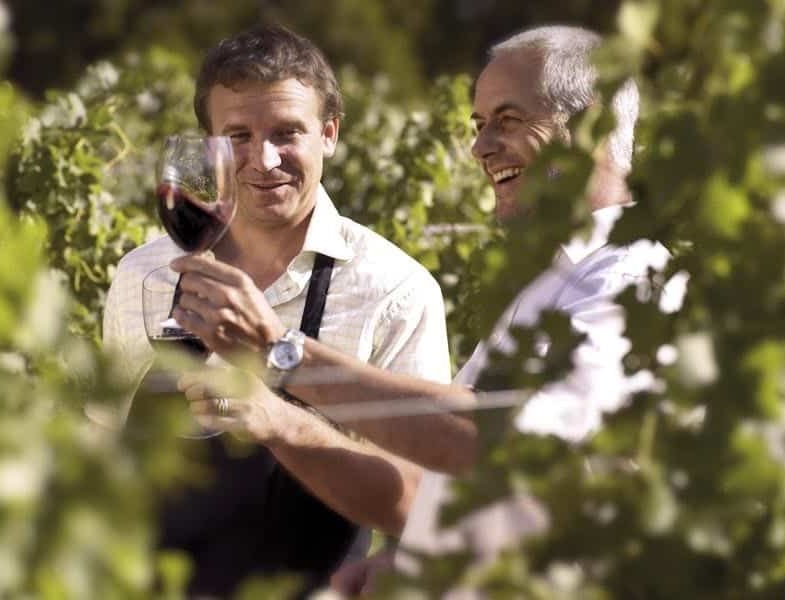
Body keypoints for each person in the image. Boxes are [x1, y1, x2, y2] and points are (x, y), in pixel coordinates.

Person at [172, 24, 683, 596]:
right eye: (478, 125)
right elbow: (429, 491)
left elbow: (511, 443)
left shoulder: (628, 284)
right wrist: (279, 424)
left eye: (507, 120)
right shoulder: (549, 288)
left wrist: (280, 352)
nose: (480, 146)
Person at [98, 24, 452, 598]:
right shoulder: (143, 276)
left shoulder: (395, 293)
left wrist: (282, 419)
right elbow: (109, 461)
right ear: (209, 146)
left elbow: (417, 503)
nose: (264, 160)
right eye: (238, 136)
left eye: (287, 133)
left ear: (329, 134)